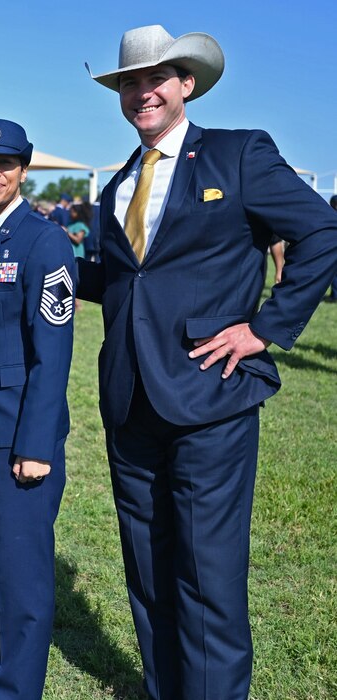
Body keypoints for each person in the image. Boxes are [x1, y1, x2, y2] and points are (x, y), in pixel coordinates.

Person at [80, 26, 337, 700]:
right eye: (129, 83)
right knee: (149, 571)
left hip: (211, 399)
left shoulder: (238, 154)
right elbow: (115, 277)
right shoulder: (117, 186)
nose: (143, 92)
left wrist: (266, 327)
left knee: (209, 578)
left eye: (155, 78)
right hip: (131, 401)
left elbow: (321, 230)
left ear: (186, 83)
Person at [0, 119, 76, 700]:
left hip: (16, 440)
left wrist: (35, 445)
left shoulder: (43, 239)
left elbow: (52, 355)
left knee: (21, 580)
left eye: (3, 163)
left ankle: (15, 690)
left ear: (24, 169)